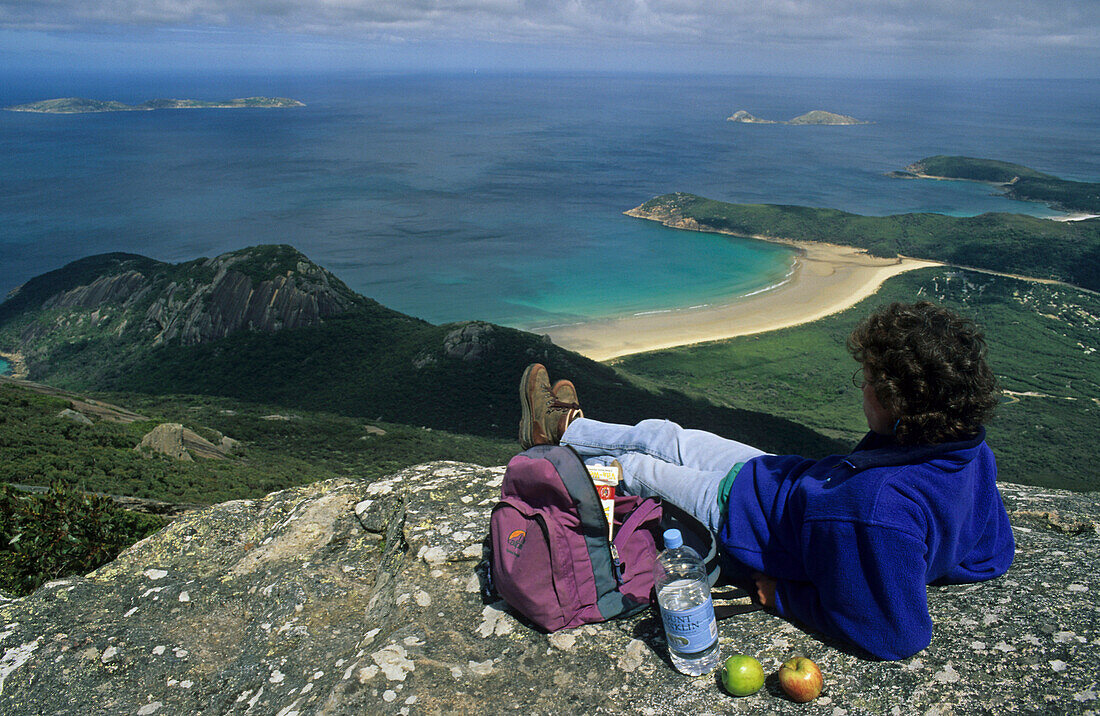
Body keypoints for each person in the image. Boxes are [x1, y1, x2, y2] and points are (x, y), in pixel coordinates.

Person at [517, 301, 1014, 660]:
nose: (861, 390)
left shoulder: (875, 512)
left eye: (866, 383)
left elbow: (896, 634)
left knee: (642, 469)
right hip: (777, 479)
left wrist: (783, 597)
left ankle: (550, 458)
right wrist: (928, 562)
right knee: (664, 434)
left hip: (743, 519)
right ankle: (565, 427)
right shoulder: (967, 447)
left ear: (900, 408)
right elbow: (992, 551)